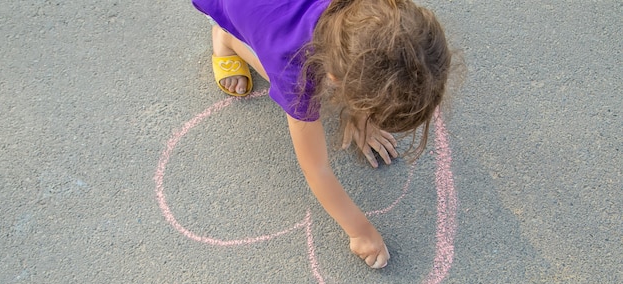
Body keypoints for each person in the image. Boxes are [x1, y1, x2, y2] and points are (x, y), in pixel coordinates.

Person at [192, 0, 452, 269]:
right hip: (235, 7)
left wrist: (362, 114)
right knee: (269, 63)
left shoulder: (373, 11)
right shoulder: (295, 72)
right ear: (336, 79)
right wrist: (360, 231)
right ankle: (226, 39)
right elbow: (316, 169)